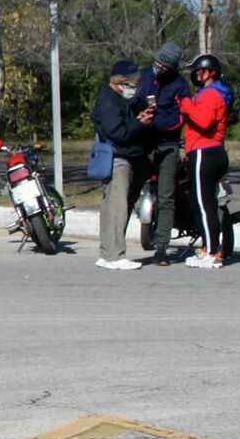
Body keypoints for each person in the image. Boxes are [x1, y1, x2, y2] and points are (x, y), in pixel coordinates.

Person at [92, 59, 156, 271]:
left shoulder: (115, 99)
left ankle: (106, 253)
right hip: (118, 160)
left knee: (110, 207)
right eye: (132, 85)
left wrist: (138, 115)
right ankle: (116, 255)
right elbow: (118, 133)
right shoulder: (109, 101)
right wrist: (140, 123)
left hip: (119, 157)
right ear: (121, 83)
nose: (134, 89)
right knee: (118, 208)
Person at [136, 42, 193, 265]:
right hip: (143, 143)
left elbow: (182, 116)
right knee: (131, 190)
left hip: (167, 145)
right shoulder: (143, 76)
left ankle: (161, 247)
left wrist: (156, 122)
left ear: (171, 67)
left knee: (166, 196)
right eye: (157, 62)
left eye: (163, 65)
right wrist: (140, 116)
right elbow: (129, 100)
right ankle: (117, 245)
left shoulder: (180, 85)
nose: (157, 67)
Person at [178, 54, 232, 269]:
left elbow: (204, 121)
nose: (194, 75)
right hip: (206, 151)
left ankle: (212, 251)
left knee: (204, 205)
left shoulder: (210, 94)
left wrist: (186, 104)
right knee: (201, 203)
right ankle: (206, 248)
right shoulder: (209, 93)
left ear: (208, 73)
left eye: (197, 71)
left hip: (205, 152)